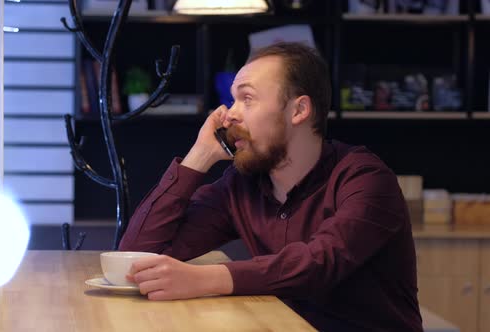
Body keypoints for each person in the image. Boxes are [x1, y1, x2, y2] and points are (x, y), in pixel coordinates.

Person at [119, 42, 423, 331]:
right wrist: (198, 156)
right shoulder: (241, 185)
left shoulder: (366, 178)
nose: (229, 114)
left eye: (247, 99)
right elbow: (137, 253)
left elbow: (320, 263)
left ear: (299, 110)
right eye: (233, 99)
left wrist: (205, 279)